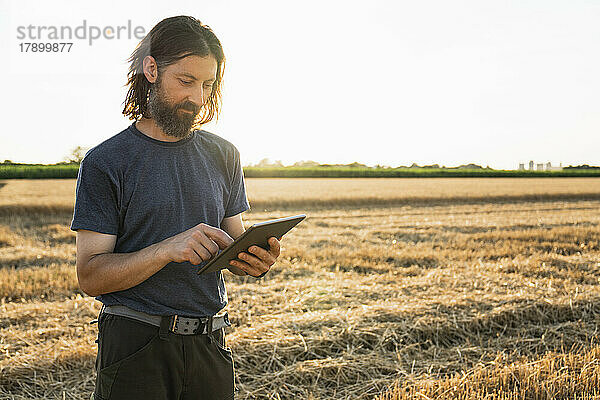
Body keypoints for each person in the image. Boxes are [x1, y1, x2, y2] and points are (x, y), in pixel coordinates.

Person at [70, 15, 280, 400]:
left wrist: (254, 255)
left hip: (211, 343)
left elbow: (234, 240)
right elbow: (91, 277)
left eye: (207, 85)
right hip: (136, 345)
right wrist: (167, 250)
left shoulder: (224, 154)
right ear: (151, 69)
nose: (198, 97)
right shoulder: (105, 161)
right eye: (186, 81)